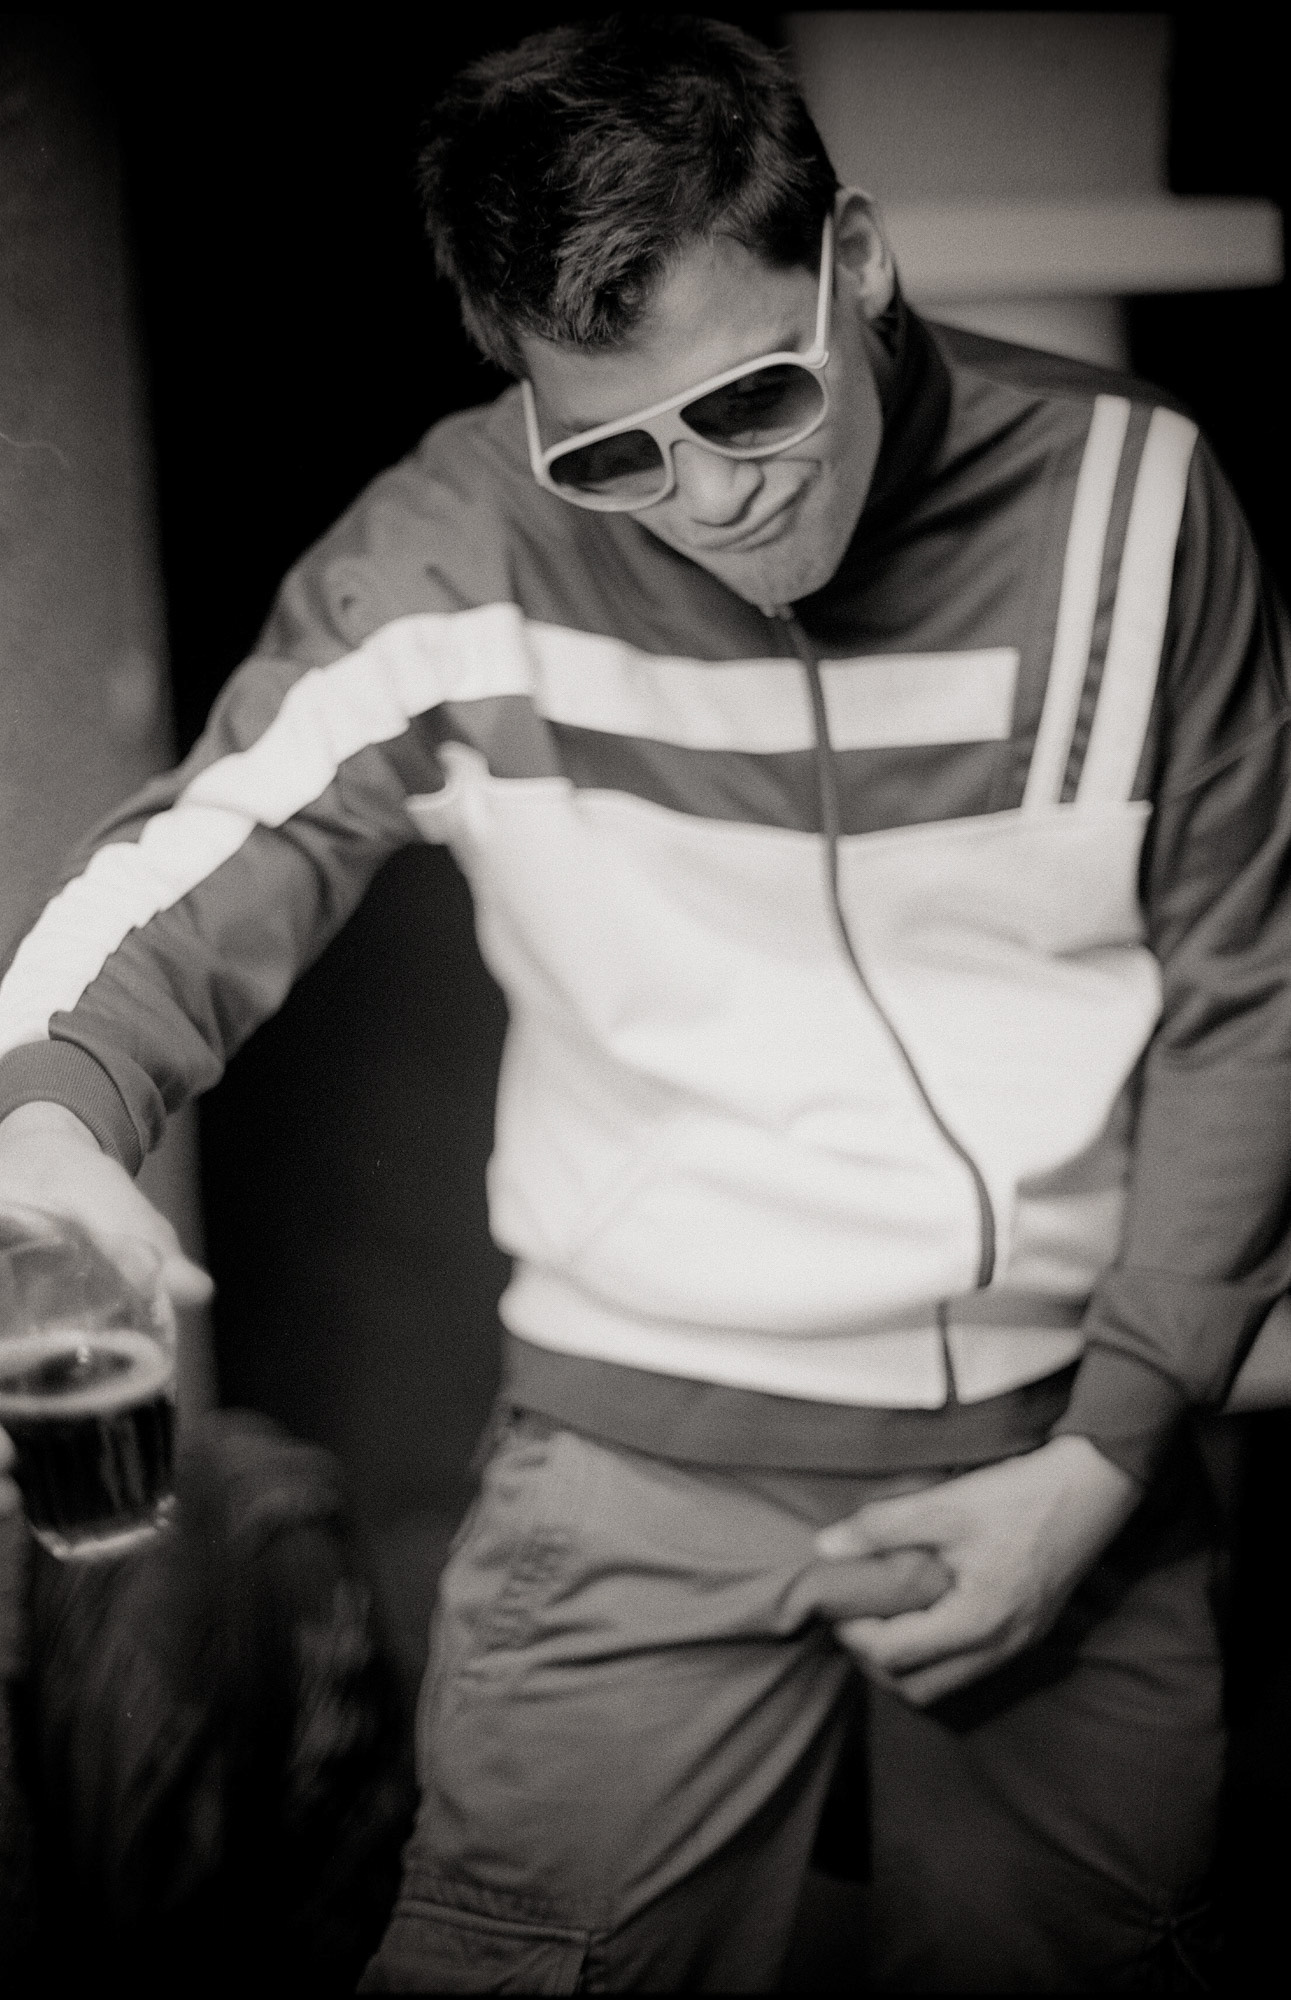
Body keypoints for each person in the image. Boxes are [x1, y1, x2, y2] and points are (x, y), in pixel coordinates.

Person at [0, 14, 1287, 1989]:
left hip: (1069, 1454)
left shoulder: (1138, 505)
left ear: (854, 259)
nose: (711, 496)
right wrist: (47, 1108)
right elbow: (214, 845)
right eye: (614, 452)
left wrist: (1111, 1450)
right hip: (630, 1465)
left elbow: (1249, 993)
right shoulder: (460, 541)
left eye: (754, 398)